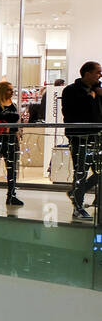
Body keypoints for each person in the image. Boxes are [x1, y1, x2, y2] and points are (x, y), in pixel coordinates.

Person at [62, 60, 102, 221]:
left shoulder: (97, 92)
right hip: (80, 137)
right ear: (87, 73)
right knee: (81, 172)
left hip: (96, 137)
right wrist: (91, 97)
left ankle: (77, 192)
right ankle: (78, 206)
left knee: (99, 172)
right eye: (98, 72)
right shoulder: (71, 91)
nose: (100, 75)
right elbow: (72, 113)